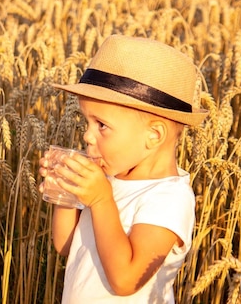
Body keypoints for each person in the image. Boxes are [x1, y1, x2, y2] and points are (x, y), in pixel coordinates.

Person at [39, 34, 209, 303]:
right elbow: (68, 246)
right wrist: (66, 196)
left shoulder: (169, 198)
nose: (87, 136)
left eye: (101, 125)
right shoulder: (108, 178)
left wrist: (101, 199)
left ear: (153, 135)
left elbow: (126, 279)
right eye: (87, 123)